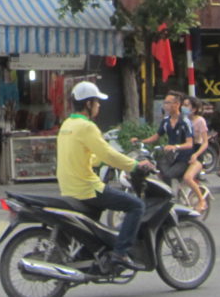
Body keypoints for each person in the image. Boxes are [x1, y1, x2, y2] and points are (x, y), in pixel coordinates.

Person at [57, 81, 154, 271]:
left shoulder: (68, 124)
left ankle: (90, 255)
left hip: (69, 187)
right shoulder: (87, 126)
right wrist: (134, 165)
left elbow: (88, 156)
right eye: (97, 102)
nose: (99, 106)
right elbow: (108, 154)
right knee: (136, 205)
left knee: (95, 224)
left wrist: (100, 160)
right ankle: (121, 252)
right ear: (88, 104)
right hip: (87, 188)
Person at [136, 91, 193, 185]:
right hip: (170, 156)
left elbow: (189, 144)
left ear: (177, 104)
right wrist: (140, 141)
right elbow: (156, 136)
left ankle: (169, 196)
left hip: (183, 158)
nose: (165, 105)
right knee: (155, 170)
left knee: (168, 175)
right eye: (164, 103)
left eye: (168, 103)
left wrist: (175, 147)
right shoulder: (166, 121)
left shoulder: (185, 121)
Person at [182, 98, 209, 213]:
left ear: (194, 109)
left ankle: (202, 200)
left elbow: (205, 142)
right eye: (183, 104)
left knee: (187, 177)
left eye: (186, 105)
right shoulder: (182, 120)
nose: (183, 107)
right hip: (184, 152)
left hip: (196, 153)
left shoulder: (200, 121)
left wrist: (196, 154)